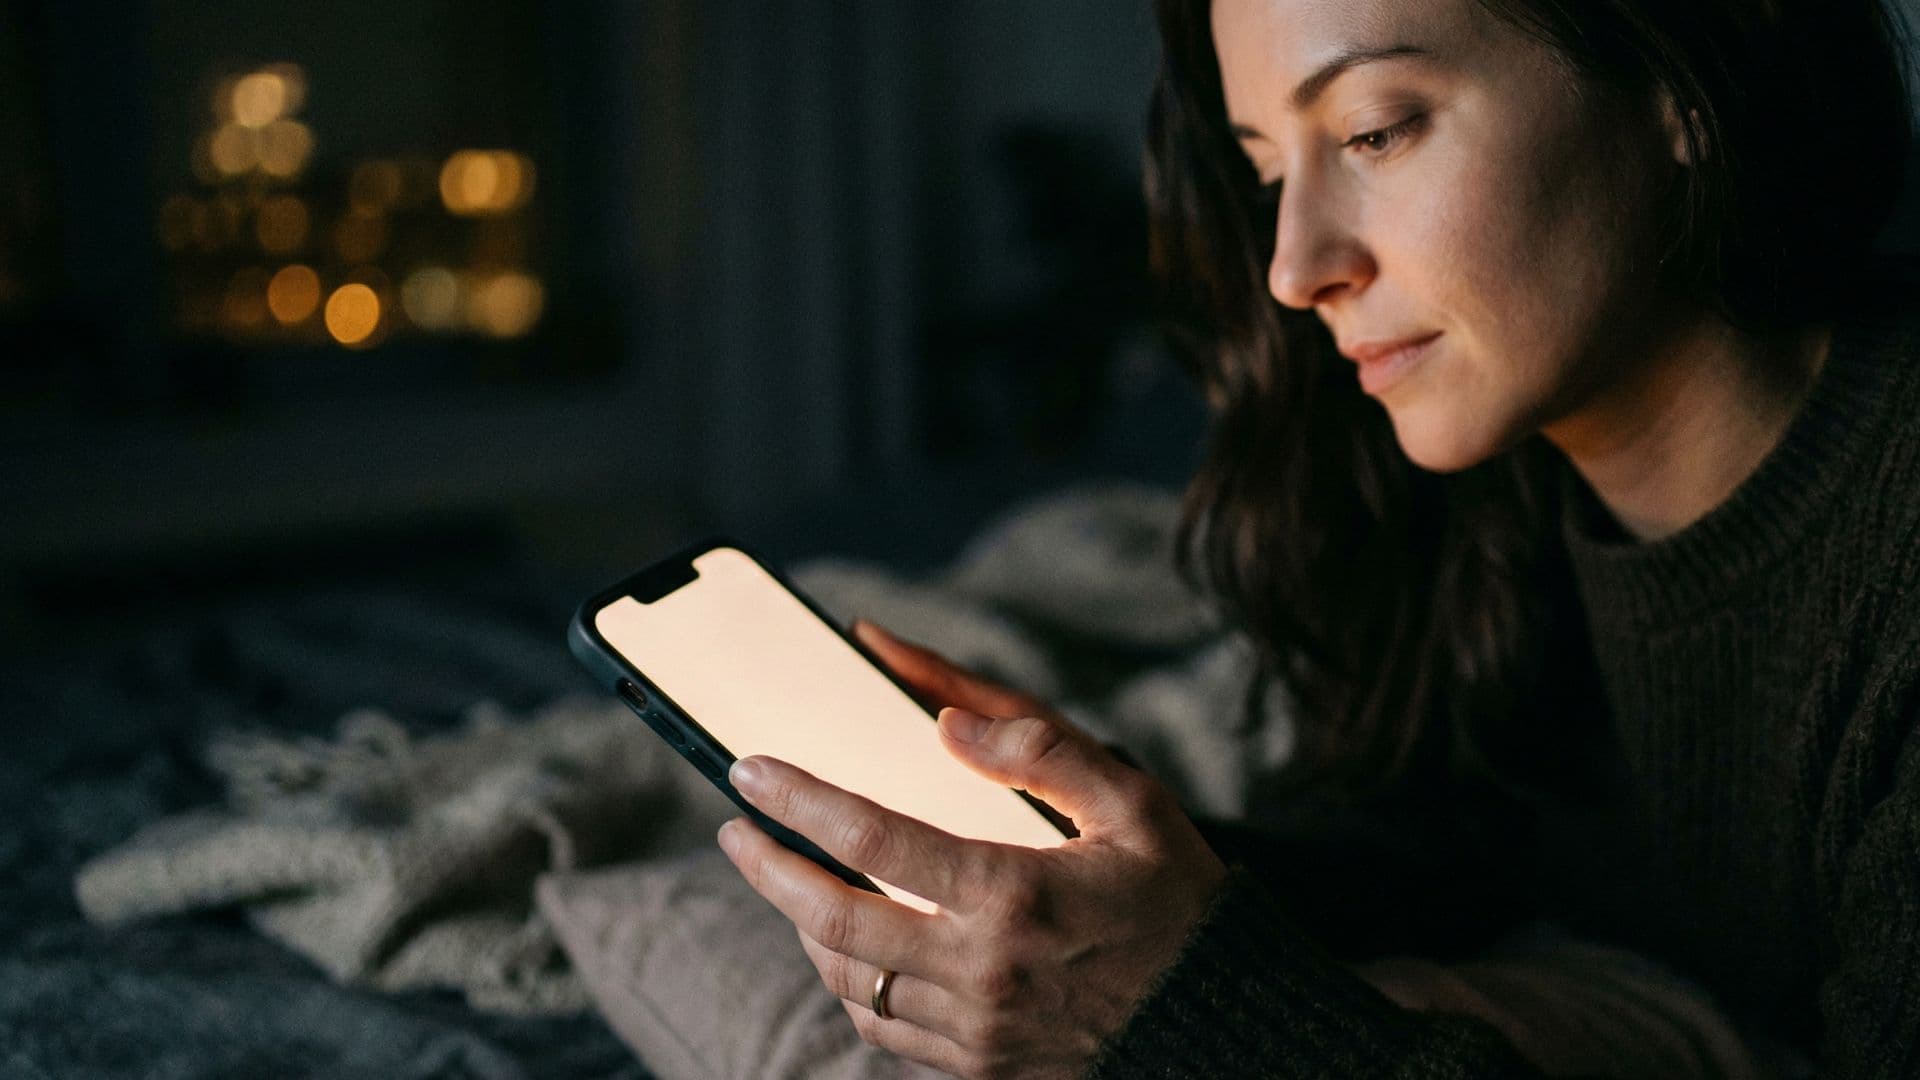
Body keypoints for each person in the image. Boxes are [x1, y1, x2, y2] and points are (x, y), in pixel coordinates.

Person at [715, 0, 1920, 1075]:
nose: (1295, 268)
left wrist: (1181, 1016)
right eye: (1264, 174)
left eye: (1375, 131)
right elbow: (1447, 869)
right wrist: (1130, 874)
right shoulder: (1472, 496)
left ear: (1680, 89)